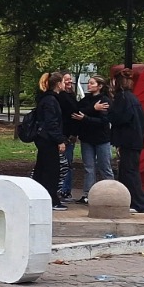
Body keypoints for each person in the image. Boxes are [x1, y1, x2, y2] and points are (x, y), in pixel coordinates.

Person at [108, 68, 144, 213]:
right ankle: (132, 201)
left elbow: (119, 118)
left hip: (128, 140)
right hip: (134, 140)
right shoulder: (131, 97)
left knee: (130, 172)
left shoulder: (123, 98)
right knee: (129, 171)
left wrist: (108, 113)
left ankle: (139, 203)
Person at [30, 72, 68, 211]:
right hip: (48, 140)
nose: (65, 84)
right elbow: (52, 123)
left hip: (43, 139)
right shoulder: (51, 101)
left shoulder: (46, 99)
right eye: (63, 81)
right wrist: (60, 140)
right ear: (58, 84)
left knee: (42, 168)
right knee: (51, 170)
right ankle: (51, 199)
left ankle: (39, 196)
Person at [73, 75, 113, 202]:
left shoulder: (104, 100)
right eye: (89, 83)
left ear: (99, 86)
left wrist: (86, 118)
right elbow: (78, 111)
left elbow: (103, 121)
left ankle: (111, 193)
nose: (89, 85)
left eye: (92, 83)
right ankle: (87, 194)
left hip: (101, 138)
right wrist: (93, 109)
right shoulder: (86, 99)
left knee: (104, 166)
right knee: (88, 167)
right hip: (87, 138)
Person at [55, 72, 79, 201]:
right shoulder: (62, 96)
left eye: (70, 79)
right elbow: (72, 110)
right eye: (66, 79)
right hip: (64, 135)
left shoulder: (71, 95)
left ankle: (65, 189)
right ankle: (62, 189)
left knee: (67, 162)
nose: (69, 81)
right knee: (64, 163)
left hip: (70, 135)